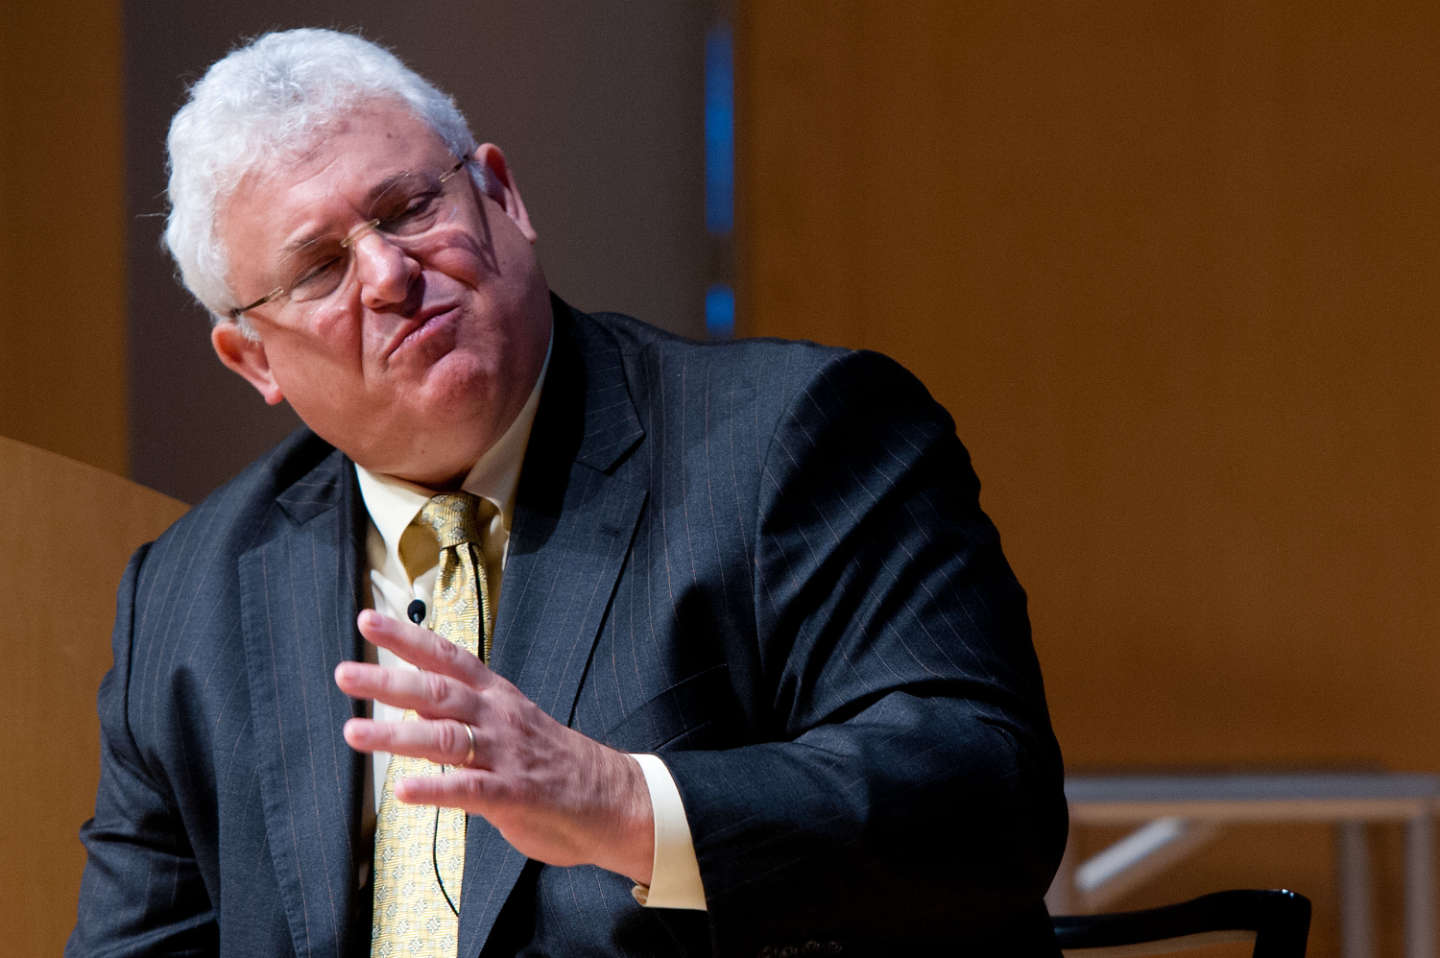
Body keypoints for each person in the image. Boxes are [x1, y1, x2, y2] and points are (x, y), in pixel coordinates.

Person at [69, 27, 1067, 957]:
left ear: (501, 196)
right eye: (321, 267)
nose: (387, 274)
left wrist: (621, 800)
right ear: (252, 359)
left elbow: (987, 797)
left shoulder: (791, 440)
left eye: (411, 208)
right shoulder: (189, 593)